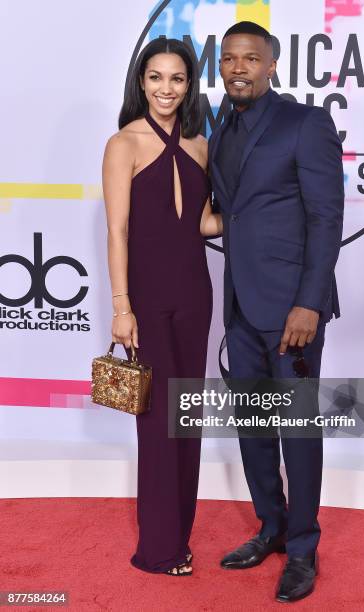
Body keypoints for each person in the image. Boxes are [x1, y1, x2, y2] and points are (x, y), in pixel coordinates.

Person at [208, 22, 344, 602]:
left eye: (251, 59)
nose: (239, 68)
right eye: (229, 59)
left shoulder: (304, 123)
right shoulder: (221, 124)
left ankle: (304, 548)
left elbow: (325, 218)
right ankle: (272, 526)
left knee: (296, 429)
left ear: (272, 66)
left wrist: (309, 302)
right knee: (254, 425)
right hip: (239, 303)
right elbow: (229, 211)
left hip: (292, 309)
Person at [102, 37, 222, 576]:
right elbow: (118, 230)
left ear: (189, 84)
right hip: (146, 299)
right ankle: (158, 549)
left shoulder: (200, 143)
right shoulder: (122, 143)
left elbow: (201, 223)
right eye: (155, 78)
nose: (165, 89)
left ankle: (181, 536)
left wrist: (263, 218)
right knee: (156, 423)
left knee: (186, 418)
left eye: (176, 79)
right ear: (141, 82)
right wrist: (122, 305)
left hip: (195, 292)